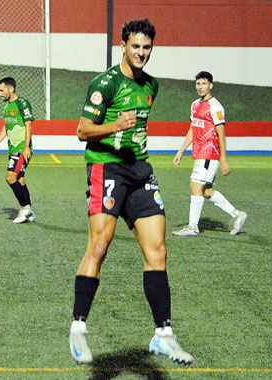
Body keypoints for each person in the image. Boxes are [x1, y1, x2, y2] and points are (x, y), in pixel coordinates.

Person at [68, 18, 194, 365]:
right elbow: (82, 131)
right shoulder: (104, 84)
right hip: (106, 168)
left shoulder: (151, 85)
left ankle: (163, 335)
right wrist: (114, 126)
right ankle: (78, 327)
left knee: (158, 249)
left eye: (147, 47)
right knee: (99, 245)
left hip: (140, 171)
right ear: (122, 45)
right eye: (135, 46)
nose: (141, 53)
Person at [172, 71, 247, 237]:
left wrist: (224, 159)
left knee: (195, 186)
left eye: (204, 84)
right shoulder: (195, 105)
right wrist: (181, 150)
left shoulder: (216, 107)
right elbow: (193, 129)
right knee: (205, 191)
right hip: (199, 153)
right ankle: (237, 214)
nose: (200, 87)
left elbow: (221, 134)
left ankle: (192, 227)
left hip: (209, 153)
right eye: (198, 83)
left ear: (210, 85)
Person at [0, 77, 36, 223]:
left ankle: (24, 209)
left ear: (11, 89)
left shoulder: (22, 103)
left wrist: (26, 147)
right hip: (13, 149)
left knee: (10, 177)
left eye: (1, 90)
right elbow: (6, 126)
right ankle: (29, 211)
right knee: (20, 180)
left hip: (21, 148)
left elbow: (28, 125)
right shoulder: (7, 107)